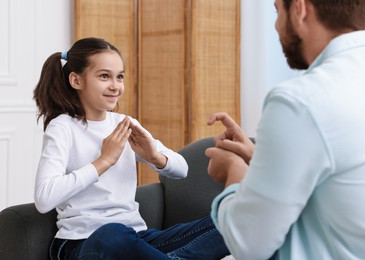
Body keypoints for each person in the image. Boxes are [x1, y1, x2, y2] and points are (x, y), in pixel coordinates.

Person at [33, 37, 229, 259]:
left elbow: (182, 170)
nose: (115, 86)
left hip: (136, 239)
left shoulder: (124, 123)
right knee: (111, 233)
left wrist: (154, 156)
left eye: (120, 77)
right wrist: (103, 161)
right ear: (76, 80)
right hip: (83, 243)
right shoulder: (63, 127)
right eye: (104, 76)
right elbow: (44, 198)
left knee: (230, 219)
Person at [205, 0, 365, 259]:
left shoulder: (300, 102)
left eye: (277, 10)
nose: (276, 25)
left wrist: (234, 171)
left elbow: (248, 244)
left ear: (300, 9)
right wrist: (260, 158)